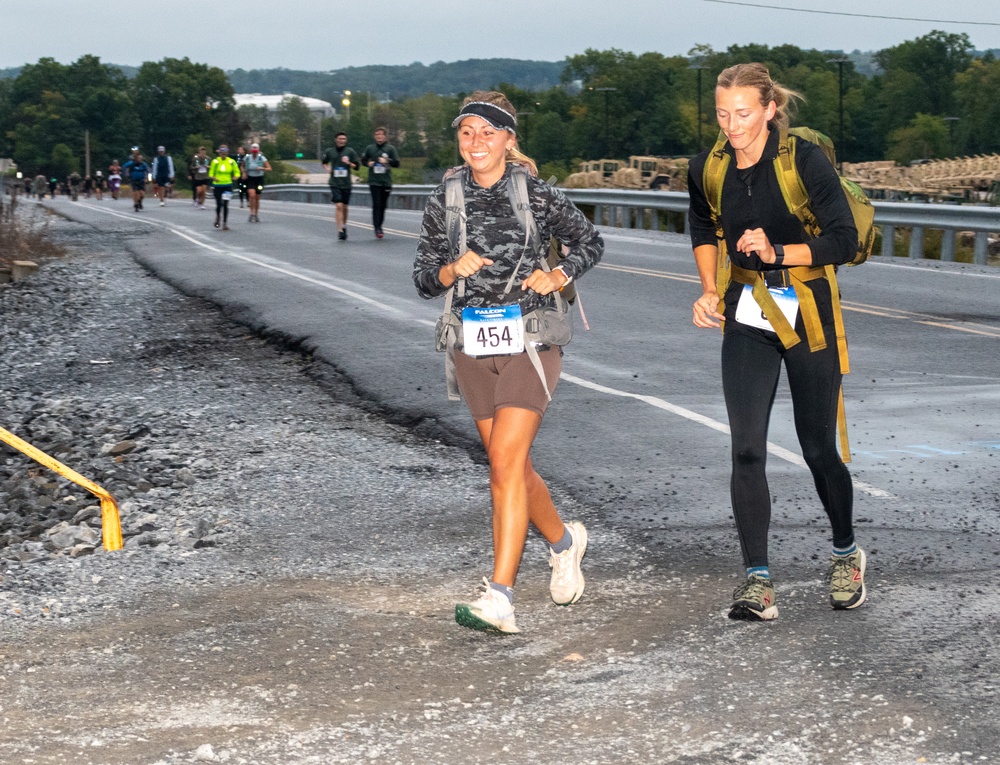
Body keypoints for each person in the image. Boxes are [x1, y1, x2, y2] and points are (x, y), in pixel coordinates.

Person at [413, 91, 604, 635]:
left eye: (487, 133)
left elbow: (589, 242)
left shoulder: (537, 194)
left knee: (501, 467)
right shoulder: (444, 198)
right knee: (512, 467)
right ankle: (565, 544)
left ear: (507, 139)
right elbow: (424, 278)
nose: (476, 143)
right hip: (472, 347)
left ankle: (500, 597)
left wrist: (558, 276)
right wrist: (453, 269)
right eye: (466, 133)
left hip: (530, 343)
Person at [687, 62, 867, 622]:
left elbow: (842, 238)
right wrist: (710, 290)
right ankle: (757, 580)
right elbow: (701, 226)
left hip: (807, 307)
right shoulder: (707, 168)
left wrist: (778, 254)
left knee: (817, 448)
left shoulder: (803, 161)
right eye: (722, 114)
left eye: (743, 113)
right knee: (746, 448)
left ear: (769, 109)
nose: (732, 126)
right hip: (747, 313)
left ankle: (845, 552)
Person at [360, 126, 400, 238]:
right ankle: (377, 227)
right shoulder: (370, 148)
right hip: (374, 181)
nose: (379, 136)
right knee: (376, 204)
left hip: (386, 181)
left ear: (385, 136)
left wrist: (387, 161)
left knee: (382, 205)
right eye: (377, 134)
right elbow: (363, 160)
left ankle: (379, 225)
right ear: (374, 136)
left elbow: (397, 164)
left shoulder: (390, 149)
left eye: (381, 134)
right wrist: (369, 163)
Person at [322, 132, 360, 240]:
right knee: (338, 205)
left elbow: (357, 166)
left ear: (346, 140)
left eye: (344, 139)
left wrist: (349, 163)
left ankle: (344, 226)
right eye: (340, 139)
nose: (342, 141)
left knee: (345, 207)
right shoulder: (330, 151)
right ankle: (340, 231)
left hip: (346, 183)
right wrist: (327, 168)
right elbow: (324, 162)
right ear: (336, 140)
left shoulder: (350, 151)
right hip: (334, 182)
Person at [208, 144, 240, 230]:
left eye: (225, 151)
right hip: (217, 185)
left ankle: (225, 223)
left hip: (227, 185)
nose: (224, 153)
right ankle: (218, 217)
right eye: (222, 151)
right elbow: (210, 173)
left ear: (227, 152)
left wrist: (236, 176)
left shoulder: (231, 162)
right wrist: (214, 178)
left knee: (226, 204)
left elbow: (237, 171)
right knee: (219, 204)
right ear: (219, 152)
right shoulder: (215, 161)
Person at [242, 143, 271, 222]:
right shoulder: (247, 158)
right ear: (251, 151)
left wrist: (263, 168)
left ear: (258, 151)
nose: (254, 153)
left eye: (256, 152)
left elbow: (269, 168)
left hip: (259, 178)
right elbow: (242, 166)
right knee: (252, 195)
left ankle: (256, 214)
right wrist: (244, 173)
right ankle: (252, 213)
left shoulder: (262, 158)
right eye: (253, 151)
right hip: (250, 178)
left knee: (257, 197)